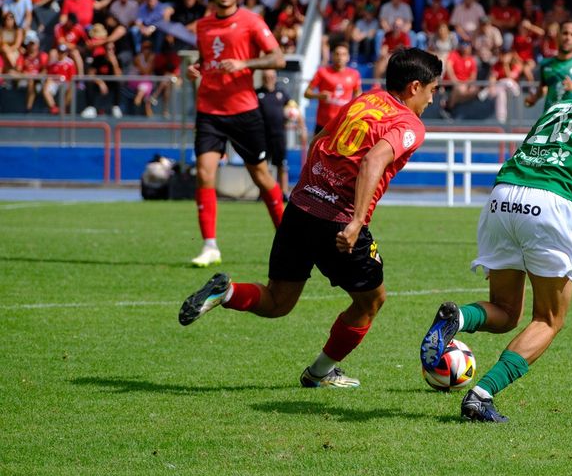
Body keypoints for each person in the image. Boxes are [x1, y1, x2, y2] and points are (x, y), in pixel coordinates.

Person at [178, 48, 443, 390]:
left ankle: (226, 293)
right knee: (371, 301)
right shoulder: (410, 124)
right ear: (414, 87)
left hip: (301, 208)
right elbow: (373, 161)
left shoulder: (366, 98)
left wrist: (308, 190)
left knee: (278, 301)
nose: (432, 100)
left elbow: (321, 139)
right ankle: (319, 372)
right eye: (432, 91)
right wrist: (357, 221)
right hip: (338, 220)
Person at [419, 68, 572, 422]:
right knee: (549, 319)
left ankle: (455, 317)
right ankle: (481, 396)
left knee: (505, 312)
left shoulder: (561, 107)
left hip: (502, 196)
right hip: (547, 203)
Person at [186, 0, 286, 267]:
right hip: (209, 111)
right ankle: (210, 246)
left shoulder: (251, 21)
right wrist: (195, 69)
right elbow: (206, 61)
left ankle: (287, 236)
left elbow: (278, 58)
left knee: (261, 177)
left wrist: (245, 64)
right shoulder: (203, 26)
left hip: (244, 112)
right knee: (204, 173)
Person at [524, 20, 572, 111]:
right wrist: (533, 99)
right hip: (550, 119)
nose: (568, 37)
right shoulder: (546, 64)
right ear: (558, 36)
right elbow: (543, 88)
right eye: (565, 33)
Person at [257, 68, 306, 197]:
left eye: (271, 77)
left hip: (279, 135)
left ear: (275, 78)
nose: (269, 79)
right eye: (266, 77)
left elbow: (295, 109)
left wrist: (302, 129)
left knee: (281, 165)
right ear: (262, 78)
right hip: (261, 136)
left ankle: (283, 193)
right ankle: (264, 192)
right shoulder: (257, 94)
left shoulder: (282, 93)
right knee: (262, 166)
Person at [304, 43, 361, 135]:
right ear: (332, 56)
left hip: (344, 123)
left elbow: (358, 95)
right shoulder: (322, 72)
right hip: (323, 124)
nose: (340, 57)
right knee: (318, 149)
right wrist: (319, 95)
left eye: (343, 54)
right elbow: (306, 93)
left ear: (348, 57)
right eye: (337, 54)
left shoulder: (354, 74)